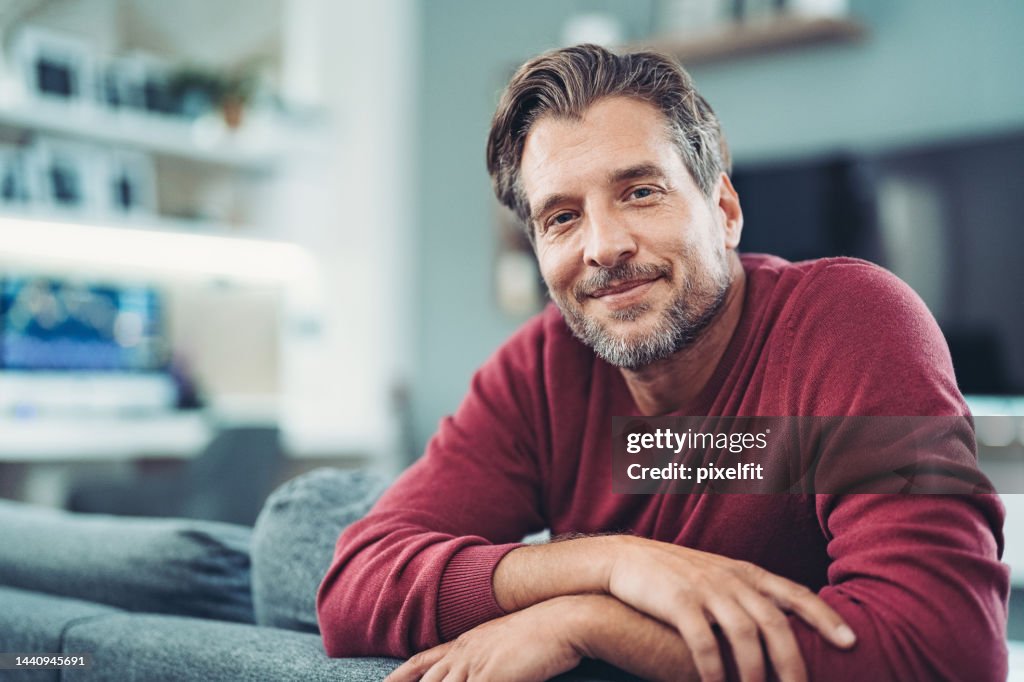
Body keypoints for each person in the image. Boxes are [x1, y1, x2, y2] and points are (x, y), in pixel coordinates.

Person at [317, 44, 1009, 682]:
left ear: (725, 209)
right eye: (561, 218)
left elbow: (946, 650)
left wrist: (591, 619)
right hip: (369, 523)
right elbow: (350, 588)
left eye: (639, 192)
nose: (604, 246)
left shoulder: (851, 320)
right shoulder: (540, 366)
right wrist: (614, 562)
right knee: (304, 534)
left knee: (291, 536)